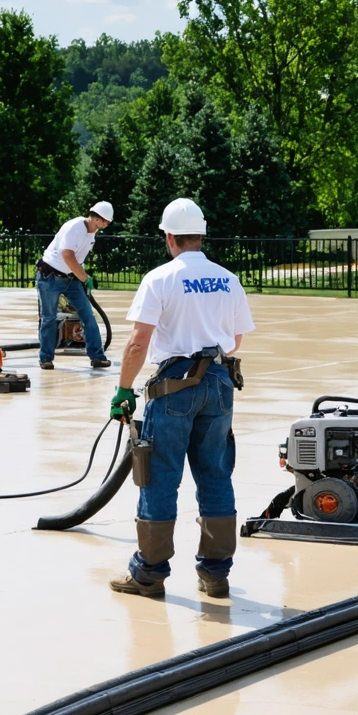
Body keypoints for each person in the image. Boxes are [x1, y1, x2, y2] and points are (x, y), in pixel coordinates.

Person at [108, 198, 255, 599]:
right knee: (215, 475)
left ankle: (149, 575)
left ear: (169, 237)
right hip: (219, 383)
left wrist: (123, 389)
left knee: (159, 478)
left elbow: (139, 343)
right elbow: (236, 338)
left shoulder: (160, 278)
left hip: (174, 385)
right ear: (201, 235)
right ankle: (215, 573)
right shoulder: (228, 278)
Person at [36, 202, 114, 370]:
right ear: (96, 218)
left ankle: (97, 356)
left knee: (88, 316)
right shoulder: (75, 227)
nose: (107, 224)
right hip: (50, 277)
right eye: (105, 221)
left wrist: (82, 276)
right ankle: (46, 358)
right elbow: (67, 254)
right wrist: (85, 277)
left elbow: (77, 258)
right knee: (49, 318)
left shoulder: (91, 233)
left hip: (71, 279)